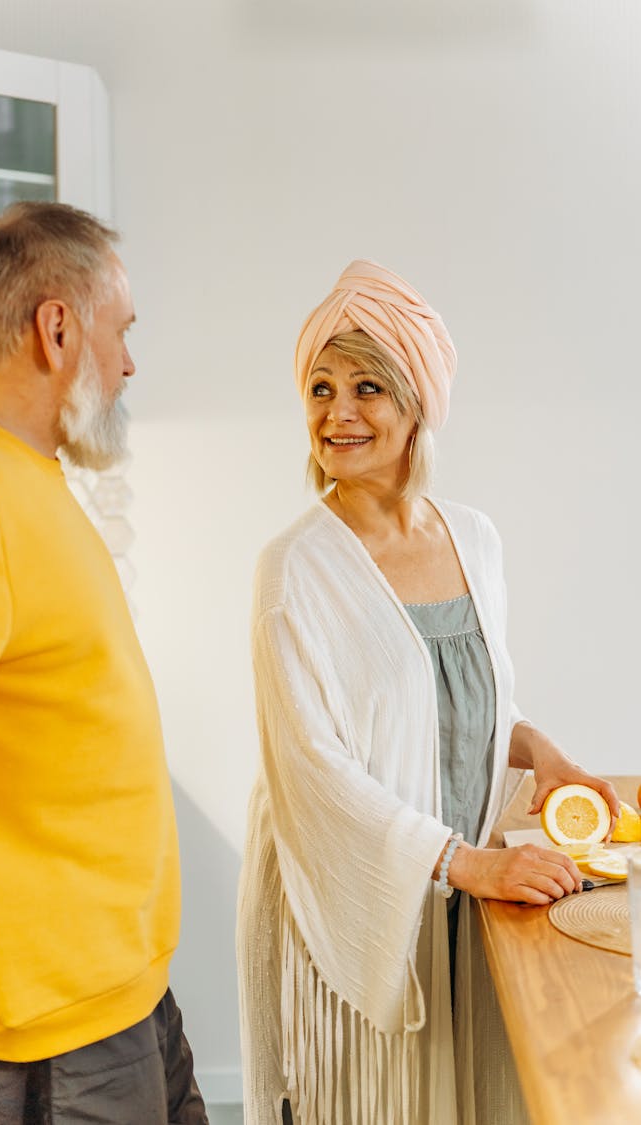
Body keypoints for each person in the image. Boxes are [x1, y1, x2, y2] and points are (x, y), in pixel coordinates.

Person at [236, 259, 619, 1124]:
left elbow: (465, 698)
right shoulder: (294, 570)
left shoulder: (472, 539)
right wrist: (469, 863)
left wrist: (546, 758)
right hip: (360, 903)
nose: (338, 413)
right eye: (322, 387)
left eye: (369, 385)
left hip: (467, 896)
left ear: (419, 406)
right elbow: (314, 772)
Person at [0, 201, 208, 1124]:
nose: (130, 363)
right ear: (58, 327)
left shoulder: (17, 472)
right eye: (123, 332)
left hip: (118, 997)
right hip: (44, 1042)